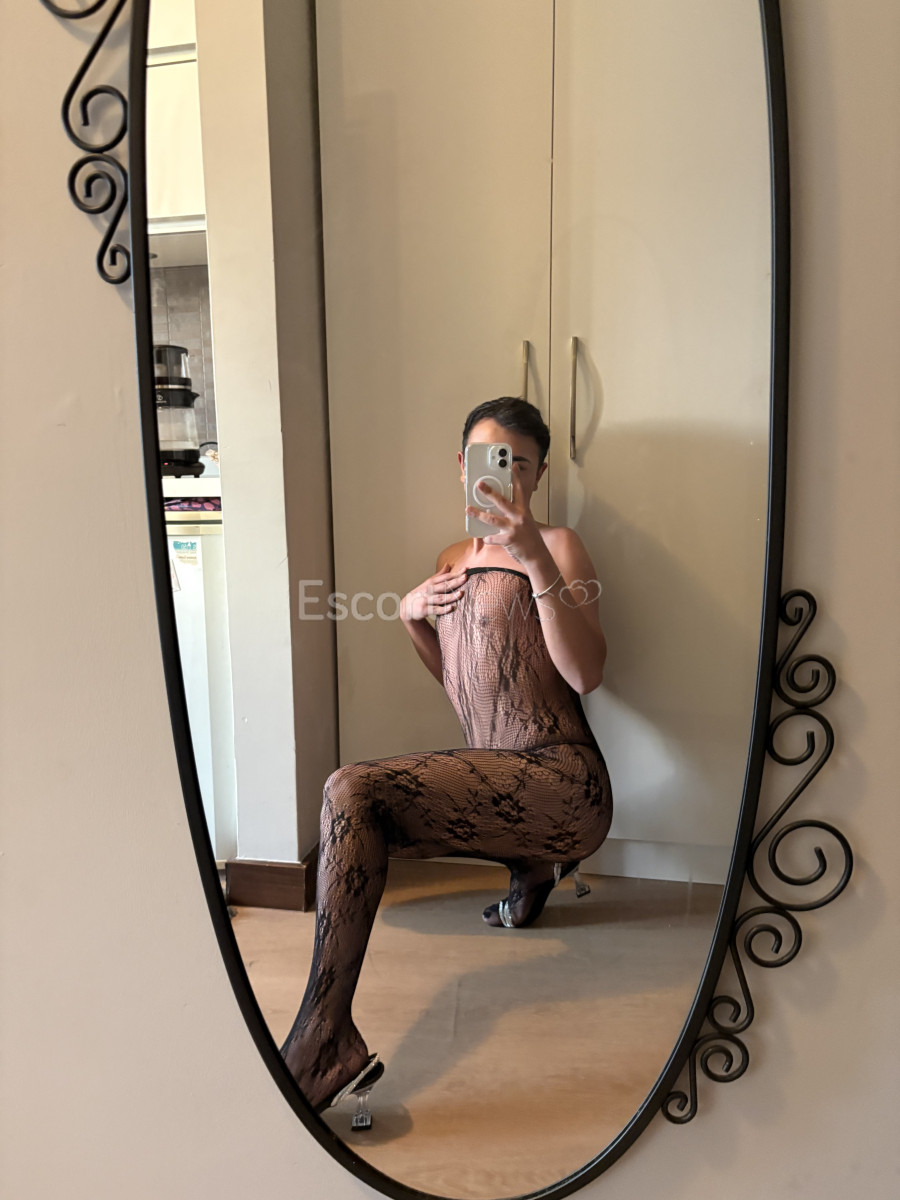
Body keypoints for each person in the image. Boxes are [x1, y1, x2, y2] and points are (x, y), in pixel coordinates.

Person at [280, 397, 613, 1122]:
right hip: (500, 786)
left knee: (351, 790)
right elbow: (462, 687)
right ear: (463, 467)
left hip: (565, 784)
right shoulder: (450, 561)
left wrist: (532, 559)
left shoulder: (561, 545)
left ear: (539, 474)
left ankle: (323, 1038)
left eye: (519, 463)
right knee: (363, 806)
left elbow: (586, 675)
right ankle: (531, 869)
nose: (504, 475)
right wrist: (411, 619)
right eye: (491, 459)